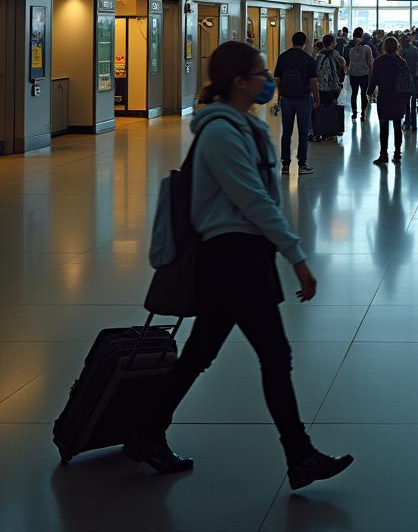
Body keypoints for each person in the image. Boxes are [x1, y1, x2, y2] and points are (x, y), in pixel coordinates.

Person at [125, 41, 353, 489]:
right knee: (272, 355)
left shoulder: (242, 126)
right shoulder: (221, 133)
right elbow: (253, 199)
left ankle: (146, 431)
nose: (269, 80)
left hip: (242, 257)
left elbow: (258, 196)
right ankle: (299, 455)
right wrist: (297, 256)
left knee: (203, 353)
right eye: (260, 73)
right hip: (232, 258)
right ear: (238, 81)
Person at [274, 32, 319, 176]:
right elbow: (313, 82)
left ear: (292, 41)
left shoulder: (283, 57)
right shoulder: (308, 59)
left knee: (286, 132)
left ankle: (285, 165)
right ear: (305, 43)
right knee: (303, 132)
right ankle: (302, 164)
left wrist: (279, 96)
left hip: (286, 99)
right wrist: (317, 98)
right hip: (304, 99)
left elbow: (278, 80)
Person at [368, 36, 411, 166]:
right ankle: (397, 153)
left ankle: (383, 154)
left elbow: (374, 79)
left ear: (384, 47)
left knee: (384, 126)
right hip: (399, 97)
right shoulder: (402, 61)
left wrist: (369, 92)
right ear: (397, 47)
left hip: (384, 96)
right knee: (398, 126)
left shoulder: (379, 61)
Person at [311, 34, 346, 143]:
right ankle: (329, 133)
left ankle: (319, 131)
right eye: (334, 42)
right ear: (331, 43)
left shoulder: (319, 54)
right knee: (330, 108)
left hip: (319, 85)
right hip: (331, 86)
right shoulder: (334, 53)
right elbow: (342, 64)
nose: (335, 43)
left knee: (321, 107)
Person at [346, 28, 373, 122]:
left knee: (354, 93)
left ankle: (354, 113)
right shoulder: (367, 48)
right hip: (364, 74)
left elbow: (350, 62)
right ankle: (363, 114)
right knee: (363, 94)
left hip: (353, 74)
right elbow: (370, 62)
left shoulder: (351, 49)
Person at [400, 34, 418, 130]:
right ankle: (414, 123)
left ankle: (408, 122)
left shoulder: (404, 51)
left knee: (406, 101)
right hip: (415, 78)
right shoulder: (415, 49)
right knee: (413, 101)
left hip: (406, 79)